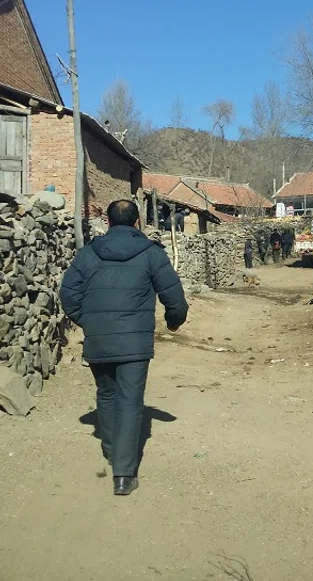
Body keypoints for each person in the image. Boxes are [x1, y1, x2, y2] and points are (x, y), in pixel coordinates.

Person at [60, 199, 188, 497]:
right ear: (137, 222)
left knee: (106, 394)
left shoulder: (88, 254)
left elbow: (68, 294)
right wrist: (174, 322)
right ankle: (123, 473)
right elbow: (174, 296)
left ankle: (110, 448)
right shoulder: (151, 254)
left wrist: (89, 321)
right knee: (130, 401)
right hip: (134, 342)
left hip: (98, 339)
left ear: (107, 221)